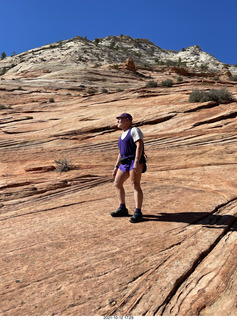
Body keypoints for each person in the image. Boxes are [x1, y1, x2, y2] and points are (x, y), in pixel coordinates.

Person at [111, 113, 147, 223]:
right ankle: (122, 208)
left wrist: (136, 161)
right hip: (124, 163)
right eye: (117, 119)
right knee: (117, 183)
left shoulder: (134, 130)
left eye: (120, 119)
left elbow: (139, 145)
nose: (117, 121)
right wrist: (116, 166)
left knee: (135, 185)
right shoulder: (122, 135)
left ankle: (138, 212)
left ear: (128, 120)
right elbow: (120, 153)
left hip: (133, 161)